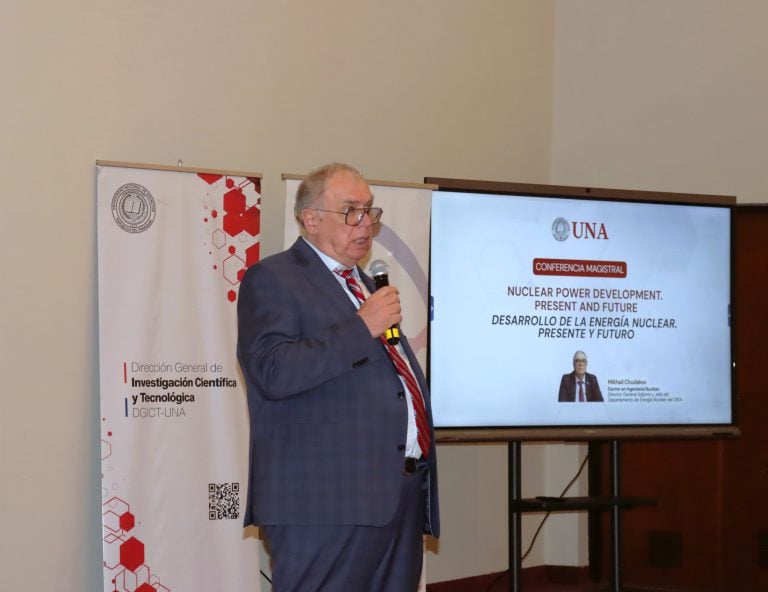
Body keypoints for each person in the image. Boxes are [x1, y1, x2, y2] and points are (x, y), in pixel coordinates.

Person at [237, 162, 439, 592]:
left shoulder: (364, 285)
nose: (365, 223)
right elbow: (272, 371)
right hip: (324, 502)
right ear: (311, 219)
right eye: (351, 211)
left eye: (370, 210)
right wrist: (362, 326)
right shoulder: (274, 278)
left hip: (395, 495)